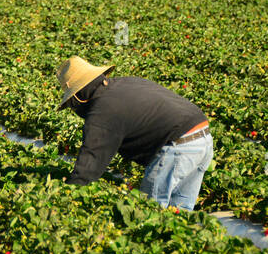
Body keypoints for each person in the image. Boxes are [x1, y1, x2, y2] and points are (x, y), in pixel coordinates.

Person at [57, 56, 212, 211]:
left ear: (79, 96)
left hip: (178, 147)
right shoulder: (127, 83)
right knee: (181, 212)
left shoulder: (102, 110)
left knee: (149, 212)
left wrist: (71, 195)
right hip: (203, 137)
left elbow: (91, 160)